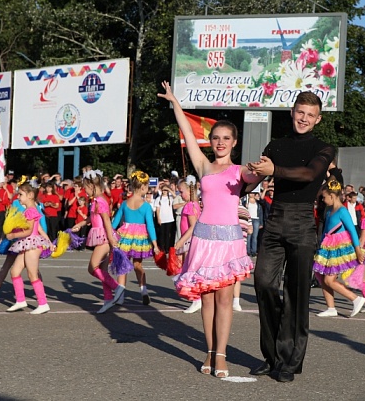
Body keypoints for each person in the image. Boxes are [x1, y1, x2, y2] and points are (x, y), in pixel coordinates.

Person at [158, 81, 260, 378]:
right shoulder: (203, 165)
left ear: (234, 142)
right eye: (216, 138)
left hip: (229, 242)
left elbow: (253, 175)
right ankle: (210, 351)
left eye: (226, 138)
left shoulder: (239, 170)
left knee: (225, 299)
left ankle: (222, 355)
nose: (220, 142)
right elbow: (187, 134)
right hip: (203, 239)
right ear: (211, 141)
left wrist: (261, 170)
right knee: (206, 298)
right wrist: (176, 103)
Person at [247, 91, 335, 383]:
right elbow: (253, 179)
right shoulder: (276, 145)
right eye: (300, 112)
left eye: (310, 115)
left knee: (296, 294)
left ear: (318, 119)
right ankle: (272, 355)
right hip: (274, 220)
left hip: (302, 222)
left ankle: (289, 361)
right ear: (292, 112)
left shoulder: (324, 148)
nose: (304, 118)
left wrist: (275, 170)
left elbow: (309, 174)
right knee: (263, 283)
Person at [72, 170, 125, 314]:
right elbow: (92, 217)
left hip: (104, 237)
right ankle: (108, 299)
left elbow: (107, 220)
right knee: (102, 270)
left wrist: (111, 239)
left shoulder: (101, 201)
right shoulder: (95, 200)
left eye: (86, 188)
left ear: (92, 186)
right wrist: (81, 224)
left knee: (92, 267)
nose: (84, 190)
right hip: (101, 235)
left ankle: (117, 287)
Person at [312, 179, 365, 318]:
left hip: (338, 249)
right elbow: (326, 230)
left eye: (324, 197)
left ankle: (356, 299)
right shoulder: (329, 210)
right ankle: (331, 308)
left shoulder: (342, 211)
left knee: (329, 280)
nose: (323, 200)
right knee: (321, 276)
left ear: (332, 196)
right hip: (327, 248)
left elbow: (352, 231)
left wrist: (358, 250)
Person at [111, 170, 159, 305]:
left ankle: (120, 296)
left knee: (123, 265)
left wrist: (110, 235)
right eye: (147, 187)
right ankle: (144, 291)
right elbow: (150, 226)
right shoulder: (146, 206)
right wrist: (155, 244)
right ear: (143, 187)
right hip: (139, 238)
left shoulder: (125, 203)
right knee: (138, 264)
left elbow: (114, 222)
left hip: (125, 236)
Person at [5, 183, 52, 314]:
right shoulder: (30, 209)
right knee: (15, 271)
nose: (18, 197)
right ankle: (20, 300)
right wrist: (49, 241)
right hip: (27, 243)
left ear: (30, 195)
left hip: (32, 244)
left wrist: (13, 235)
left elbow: (30, 231)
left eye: (20, 194)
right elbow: (39, 228)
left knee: (32, 274)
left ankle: (43, 303)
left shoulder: (31, 211)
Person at [175, 176, 202, 314]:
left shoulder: (189, 206)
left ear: (189, 190)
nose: (180, 194)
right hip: (192, 241)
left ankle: (196, 299)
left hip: (190, 241)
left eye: (181, 192)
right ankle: (196, 297)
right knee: (190, 269)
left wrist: (180, 241)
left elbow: (192, 227)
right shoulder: (195, 204)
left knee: (190, 270)